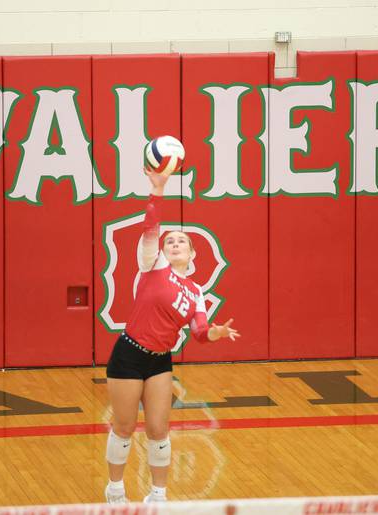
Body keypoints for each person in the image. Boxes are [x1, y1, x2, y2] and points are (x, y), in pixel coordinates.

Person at [104, 159, 240, 504]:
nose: (175, 243)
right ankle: (115, 489)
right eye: (170, 241)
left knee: (158, 430)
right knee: (124, 427)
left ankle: (158, 496)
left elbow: (199, 332)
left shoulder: (195, 291)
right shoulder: (154, 265)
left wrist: (216, 333)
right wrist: (158, 189)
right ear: (163, 251)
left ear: (192, 254)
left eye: (182, 241)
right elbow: (151, 226)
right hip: (129, 354)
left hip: (160, 361)